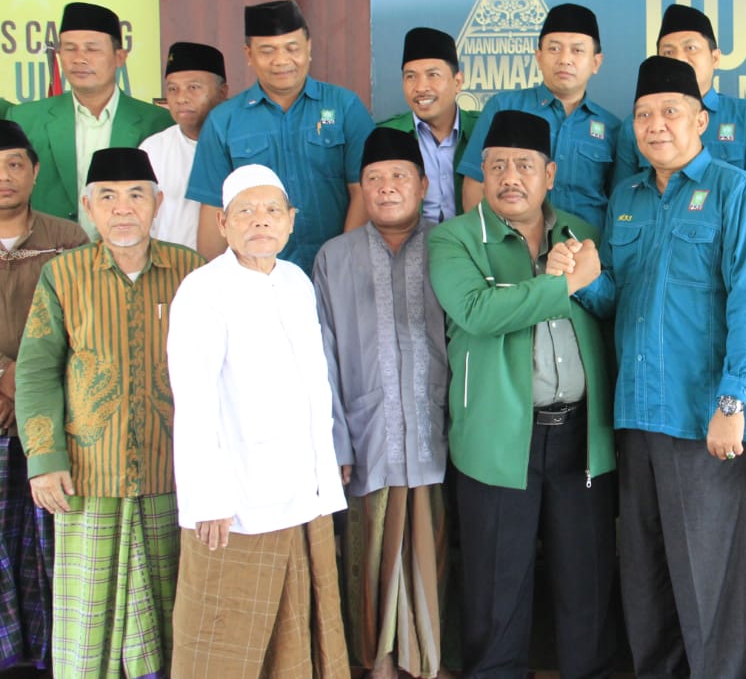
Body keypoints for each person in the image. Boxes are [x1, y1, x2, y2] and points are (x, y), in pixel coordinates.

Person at [566, 56, 746, 678]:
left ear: (702, 121)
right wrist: (584, 282)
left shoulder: (736, 193)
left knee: (710, 581)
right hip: (636, 415)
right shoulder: (625, 197)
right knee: (646, 574)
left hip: (704, 419)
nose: (655, 125)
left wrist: (732, 403)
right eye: (643, 114)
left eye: (670, 112)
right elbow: (618, 302)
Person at [429, 110, 617, 678]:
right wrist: (562, 284)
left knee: (585, 582)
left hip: (581, 436)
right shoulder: (454, 238)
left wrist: (588, 278)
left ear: (550, 173)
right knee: (496, 587)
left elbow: (611, 308)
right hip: (497, 439)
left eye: (526, 165)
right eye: (499, 165)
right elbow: (479, 313)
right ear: (481, 173)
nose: (512, 176)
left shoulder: (581, 232)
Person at [15, 147, 203, 677]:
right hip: (88, 477)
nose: (123, 210)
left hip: (174, 475)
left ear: (158, 203)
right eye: (108, 198)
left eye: (136, 196)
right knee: (88, 624)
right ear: (88, 207)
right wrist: (44, 457)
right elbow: (35, 371)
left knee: (176, 616)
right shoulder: (63, 275)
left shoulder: (191, 271)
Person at [166, 164, 347, 677]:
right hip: (236, 500)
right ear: (222, 224)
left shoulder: (296, 281)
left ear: (291, 221)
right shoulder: (203, 291)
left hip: (300, 491)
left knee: (296, 632)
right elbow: (194, 399)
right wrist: (208, 498)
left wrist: (325, 475)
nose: (260, 222)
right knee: (223, 639)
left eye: (272, 211)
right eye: (245, 211)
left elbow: (316, 387)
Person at [313, 128, 448, 679]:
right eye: (374, 179)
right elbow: (319, 361)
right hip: (366, 441)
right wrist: (335, 441)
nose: (387, 188)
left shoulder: (452, 246)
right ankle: (377, 663)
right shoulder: (334, 257)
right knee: (368, 558)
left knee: (434, 557)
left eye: (398, 177)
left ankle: (431, 662)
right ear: (361, 189)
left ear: (421, 183)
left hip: (438, 439)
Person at [187, 0, 375, 272]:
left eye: (292, 48)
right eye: (267, 51)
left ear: (308, 48)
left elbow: (362, 191)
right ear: (249, 54)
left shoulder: (344, 107)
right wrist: (219, 279)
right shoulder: (224, 121)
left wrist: (341, 263)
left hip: (337, 271)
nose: (281, 60)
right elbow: (214, 211)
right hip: (257, 276)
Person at [0, 119, 87, 669]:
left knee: (45, 550)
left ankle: (46, 657)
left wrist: (25, 380)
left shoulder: (67, 240)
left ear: (34, 172)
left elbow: (81, 327)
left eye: (14, 164)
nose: (4, 177)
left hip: (46, 422)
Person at [5, 3, 172, 234]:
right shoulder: (26, 119)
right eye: (70, 49)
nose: (79, 59)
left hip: (128, 259)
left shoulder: (157, 122)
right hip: (47, 257)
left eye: (92, 49)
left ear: (120, 57)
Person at [458, 3, 620, 228]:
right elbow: (475, 183)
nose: (565, 59)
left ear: (596, 62)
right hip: (513, 249)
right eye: (554, 48)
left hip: (586, 248)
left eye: (577, 50)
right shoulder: (503, 107)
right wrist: (490, 246)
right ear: (538, 56)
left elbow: (620, 202)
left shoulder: (611, 127)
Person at [613, 3, 746, 198]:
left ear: (715, 58)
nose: (679, 59)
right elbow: (625, 199)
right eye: (668, 52)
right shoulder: (636, 126)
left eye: (691, 48)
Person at [378, 27, 479, 223]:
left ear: (458, 81)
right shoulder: (387, 134)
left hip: (470, 248)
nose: (421, 87)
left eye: (433, 75)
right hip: (409, 247)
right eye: (410, 76)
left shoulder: (482, 129)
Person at [140, 42, 228, 248]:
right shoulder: (152, 149)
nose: (181, 98)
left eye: (193, 88)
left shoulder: (239, 145)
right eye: (173, 89)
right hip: (166, 271)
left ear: (222, 92)